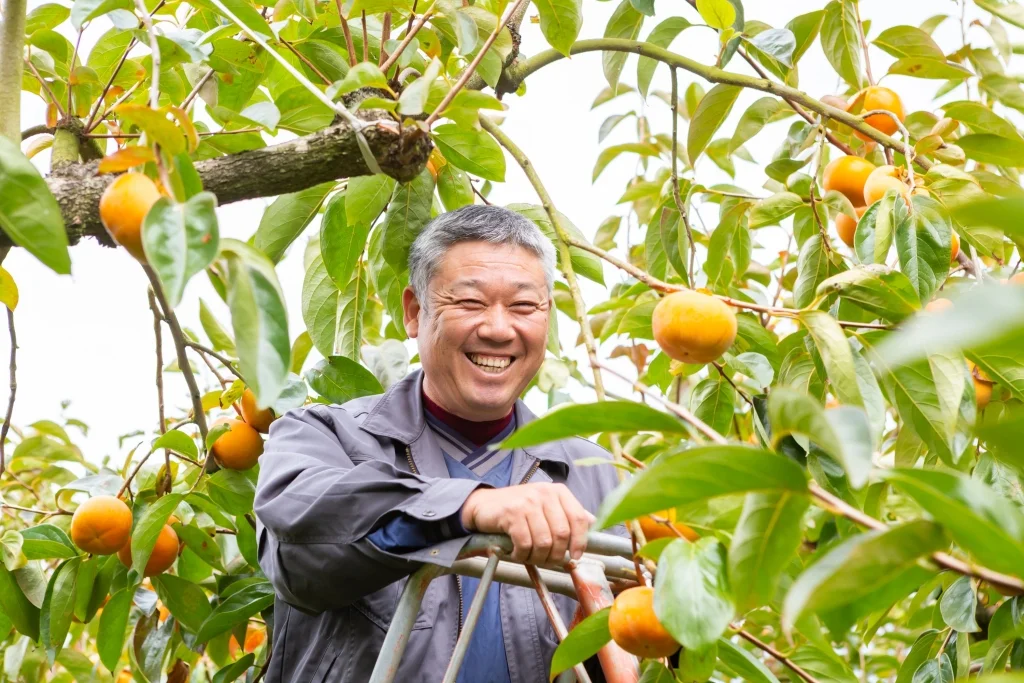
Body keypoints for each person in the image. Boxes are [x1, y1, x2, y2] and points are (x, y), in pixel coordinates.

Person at [255, 205, 623, 682]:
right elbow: (300, 550)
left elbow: (624, 638)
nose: (497, 328)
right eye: (470, 302)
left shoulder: (589, 469)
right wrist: (470, 507)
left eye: (524, 306)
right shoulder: (323, 436)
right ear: (414, 312)